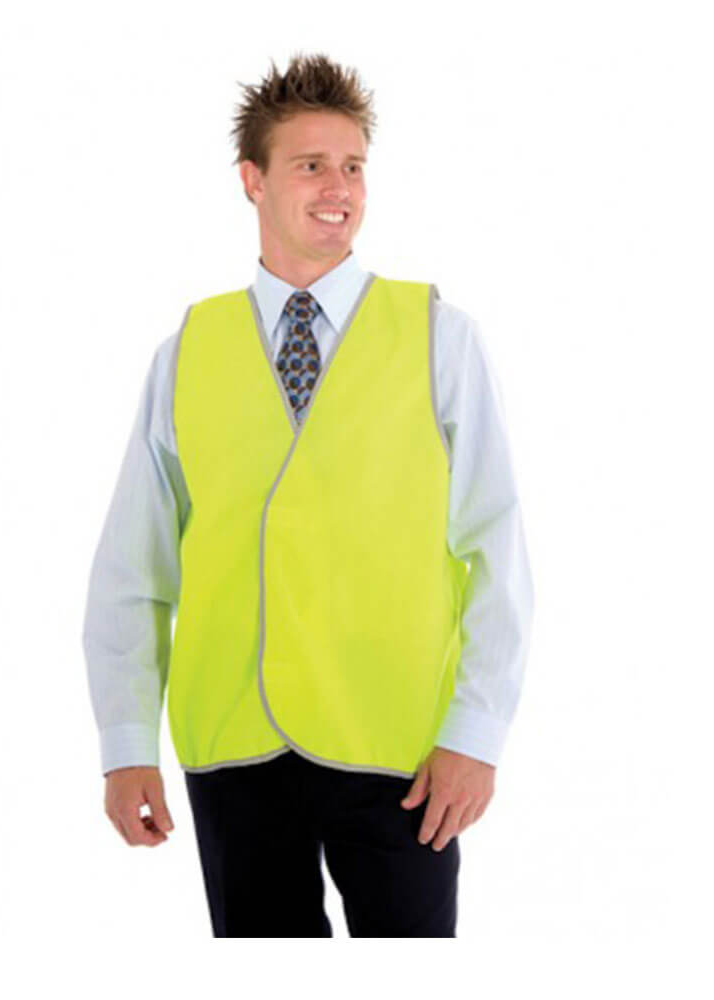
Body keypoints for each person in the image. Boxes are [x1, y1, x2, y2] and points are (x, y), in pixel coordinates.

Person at [82, 52, 535, 938]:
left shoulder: (439, 337)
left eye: (354, 166)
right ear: (252, 180)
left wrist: (476, 734)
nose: (340, 189)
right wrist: (125, 743)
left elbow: (498, 546)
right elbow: (134, 569)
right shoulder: (186, 351)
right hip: (232, 752)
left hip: (400, 753)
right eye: (312, 165)